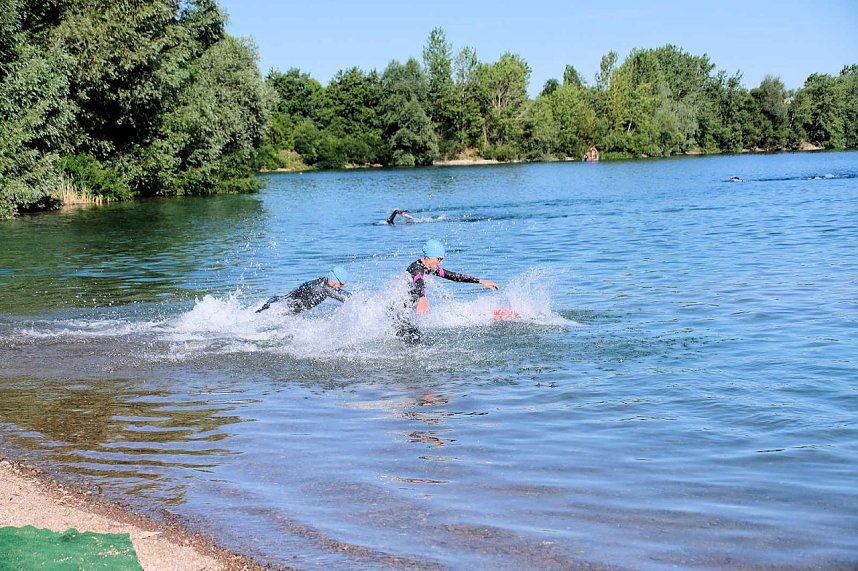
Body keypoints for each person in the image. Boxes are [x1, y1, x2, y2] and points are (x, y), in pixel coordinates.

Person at [392, 239, 499, 344]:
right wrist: (422, 298)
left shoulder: (428, 267)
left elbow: (453, 276)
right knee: (416, 341)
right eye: (439, 259)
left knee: (417, 340)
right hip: (397, 315)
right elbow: (418, 281)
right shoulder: (417, 269)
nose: (441, 262)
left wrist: (480, 281)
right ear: (430, 257)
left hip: (402, 315)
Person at [256, 266, 351, 313]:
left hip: (280, 304)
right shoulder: (324, 287)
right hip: (281, 308)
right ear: (335, 279)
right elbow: (346, 298)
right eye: (341, 284)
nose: (340, 287)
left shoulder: (320, 282)